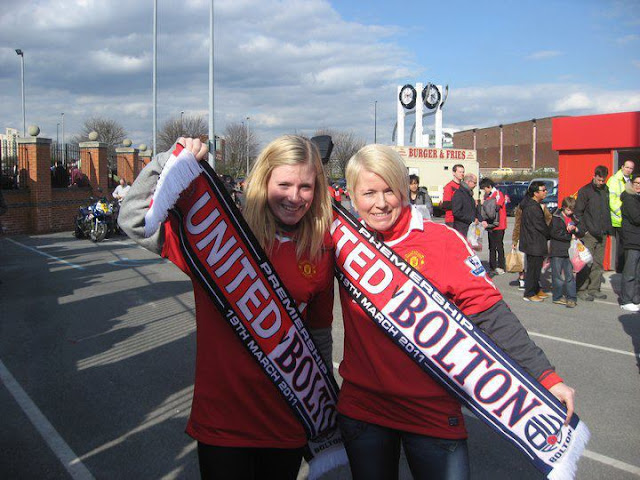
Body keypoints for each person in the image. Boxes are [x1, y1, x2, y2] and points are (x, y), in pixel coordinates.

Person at [337, 145, 575, 480]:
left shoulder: (442, 241)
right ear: (351, 194)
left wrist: (545, 377)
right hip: (364, 410)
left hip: (431, 412)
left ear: (405, 188)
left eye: (389, 190)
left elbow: (491, 315)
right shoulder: (343, 242)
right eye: (368, 193)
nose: (380, 203)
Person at [119, 135, 335, 480]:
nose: (295, 197)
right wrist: (172, 159)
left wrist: (322, 414)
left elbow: (320, 338)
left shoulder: (320, 247)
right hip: (223, 422)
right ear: (262, 181)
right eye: (284, 184)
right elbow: (132, 221)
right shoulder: (218, 235)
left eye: (305, 186)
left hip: (287, 421)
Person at [575, 165, 614, 301]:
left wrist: (608, 229)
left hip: (602, 233)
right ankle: (581, 289)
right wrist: (584, 230)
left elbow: (607, 211)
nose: (601, 183)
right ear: (594, 176)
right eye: (599, 180)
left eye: (603, 180)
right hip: (589, 234)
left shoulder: (606, 190)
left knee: (598, 263)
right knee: (586, 262)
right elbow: (578, 212)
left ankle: (594, 289)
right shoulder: (585, 191)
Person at [519, 181, 550, 302]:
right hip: (533, 242)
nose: (545, 192)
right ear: (535, 193)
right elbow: (540, 225)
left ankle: (537, 289)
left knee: (537, 268)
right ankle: (529, 292)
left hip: (535, 241)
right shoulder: (532, 207)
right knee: (533, 269)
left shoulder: (534, 204)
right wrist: (550, 233)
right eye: (543, 190)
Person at [549, 197, 582, 308]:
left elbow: (581, 228)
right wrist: (569, 234)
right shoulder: (556, 217)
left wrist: (576, 230)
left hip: (569, 250)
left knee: (570, 276)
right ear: (563, 208)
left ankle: (571, 297)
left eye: (572, 210)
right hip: (557, 249)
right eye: (568, 210)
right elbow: (554, 233)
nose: (570, 212)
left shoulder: (574, 218)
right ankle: (557, 296)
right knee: (557, 275)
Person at [607, 160, 635, 273]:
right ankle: (620, 268)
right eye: (627, 167)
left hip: (629, 218)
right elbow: (611, 200)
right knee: (622, 245)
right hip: (619, 218)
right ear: (622, 167)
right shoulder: (614, 180)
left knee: (628, 244)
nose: (628, 170)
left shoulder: (632, 180)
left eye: (631, 168)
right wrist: (622, 213)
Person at [619, 177, 640, 311]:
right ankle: (626, 300)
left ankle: (635, 298)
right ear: (631, 184)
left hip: (638, 240)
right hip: (632, 240)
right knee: (630, 272)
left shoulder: (637, 198)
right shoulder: (628, 198)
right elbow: (637, 218)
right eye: (636, 183)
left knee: (638, 273)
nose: (638, 185)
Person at [479, 178, 507, 275]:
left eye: (484, 188)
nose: (484, 191)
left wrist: (486, 204)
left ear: (489, 186)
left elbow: (497, 207)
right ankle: (492, 266)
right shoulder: (487, 196)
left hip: (499, 225)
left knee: (499, 246)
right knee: (491, 246)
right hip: (490, 224)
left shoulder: (498, 194)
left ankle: (501, 266)